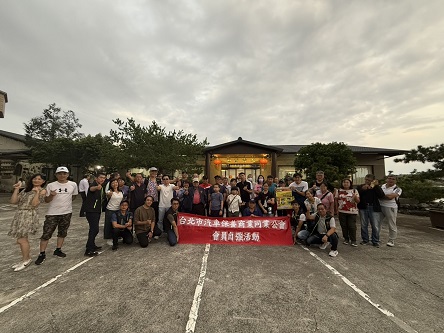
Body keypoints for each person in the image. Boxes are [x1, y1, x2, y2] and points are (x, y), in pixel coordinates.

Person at [35, 167, 78, 265]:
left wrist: (66, 203)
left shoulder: (73, 184)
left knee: (62, 232)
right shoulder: (51, 185)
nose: (62, 175)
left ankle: (58, 249)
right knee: (46, 234)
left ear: (68, 174)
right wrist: (51, 196)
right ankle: (42, 253)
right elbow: (46, 200)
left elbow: (74, 196)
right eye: (59, 173)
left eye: (64, 173)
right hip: (52, 213)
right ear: (56, 175)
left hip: (67, 212)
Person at [9, 174, 47, 271]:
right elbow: (13, 201)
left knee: (22, 240)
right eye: (35, 178)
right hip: (20, 214)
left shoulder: (42, 190)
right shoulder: (26, 190)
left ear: (43, 181)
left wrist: (37, 193)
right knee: (20, 239)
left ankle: (26, 259)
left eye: (39, 179)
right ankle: (24, 258)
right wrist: (17, 189)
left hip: (29, 215)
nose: (36, 180)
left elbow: (34, 204)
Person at [357, 174, 386, 247]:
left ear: (373, 180)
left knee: (375, 225)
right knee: (364, 225)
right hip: (363, 207)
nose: (367, 181)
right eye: (366, 179)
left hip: (373, 207)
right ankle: (365, 239)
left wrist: (376, 186)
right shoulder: (361, 186)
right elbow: (357, 194)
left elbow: (381, 195)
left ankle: (375, 241)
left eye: (369, 180)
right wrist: (363, 189)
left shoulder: (376, 187)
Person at [84, 173, 106, 256]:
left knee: (93, 229)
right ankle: (88, 249)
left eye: (104, 178)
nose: (102, 179)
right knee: (94, 229)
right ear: (96, 178)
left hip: (97, 210)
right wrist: (97, 187)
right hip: (91, 210)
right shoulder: (94, 184)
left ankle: (92, 245)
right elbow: (91, 189)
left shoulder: (101, 186)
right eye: (101, 177)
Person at [335, 179, 360, 247]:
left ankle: (353, 240)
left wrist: (355, 197)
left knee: (352, 226)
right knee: (344, 226)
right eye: (344, 182)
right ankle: (346, 238)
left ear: (350, 183)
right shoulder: (339, 191)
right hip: (342, 211)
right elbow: (336, 200)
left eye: (347, 182)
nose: (345, 184)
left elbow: (358, 201)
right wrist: (336, 209)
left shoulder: (354, 191)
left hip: (352, 211)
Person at [379, 175, 402, 247]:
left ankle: (391, 240)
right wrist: (385, 195)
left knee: (392, 224)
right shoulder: (381, 186)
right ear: (386, 179)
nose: (391, 180)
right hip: (380, 206)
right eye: (389, 178)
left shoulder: (398, 189)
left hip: (391, 207)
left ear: (395, 181)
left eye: (393, 179)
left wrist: (381, 195)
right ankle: (376, 238)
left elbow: (390, 197)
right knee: (377, 223)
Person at [104, 179, 123, 245]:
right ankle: (109, 238)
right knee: (109, 224)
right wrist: (111, 191)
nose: (115, 184)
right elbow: (108, 195)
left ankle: (117, 236)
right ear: (110, 185)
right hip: (110, 209)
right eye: (113, 183)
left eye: (116, 182)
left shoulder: (121, 192)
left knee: (117, 224)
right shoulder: (109, 192)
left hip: (118, 210)